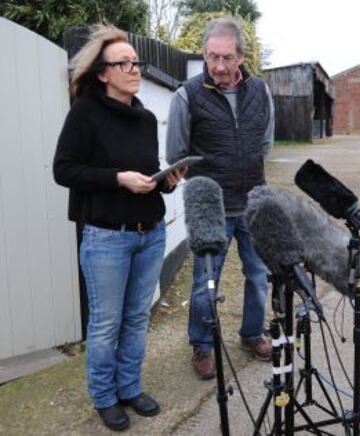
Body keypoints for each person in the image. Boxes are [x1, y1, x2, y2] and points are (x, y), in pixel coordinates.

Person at [53, 25, 184, 431]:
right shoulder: (85, 113)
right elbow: (64, 170)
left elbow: (146, 169)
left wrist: (165, 178)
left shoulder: (144, 117)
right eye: (123, 63)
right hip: (107, 236)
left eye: (136, 62)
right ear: (102, 73)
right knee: (106, 323)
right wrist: (117, 178)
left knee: (135, 318)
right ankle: (105, 397)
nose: (134, 68)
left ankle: (129, 387)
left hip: (151, 231)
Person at [166, 17, 275, 380]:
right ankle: (202, 345)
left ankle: (251, 334)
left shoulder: (261, 91)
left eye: (227, 58)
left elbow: (265, 145)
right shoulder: (187, 94)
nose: (220, 66)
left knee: (258, 274)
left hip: (253, 202)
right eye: (213, 57)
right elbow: (177, 152)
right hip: (212, 207)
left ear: (241, 57)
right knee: (204, 282)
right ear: (204, 55)